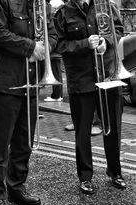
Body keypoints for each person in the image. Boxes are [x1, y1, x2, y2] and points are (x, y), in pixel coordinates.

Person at [0, 0, 58, 205]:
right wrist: (29, 47)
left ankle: (16, 187)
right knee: (1, 143)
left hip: (32, 80)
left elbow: (52, 35)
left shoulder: (41, 4)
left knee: (24, 142)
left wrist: (45, 47)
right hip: (7, 80)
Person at [54, 0, 127, 194]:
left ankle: (115, 172)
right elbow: (59, 45)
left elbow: (118, 29)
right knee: (82, 131)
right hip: (81, 78)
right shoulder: (63, 12)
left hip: (108, 74)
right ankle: (85, 177)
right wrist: (85, 44)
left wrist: (107, 41)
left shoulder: (107, 5)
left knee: (113, 129)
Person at [44, 0, 64, 102]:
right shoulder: (56, 17)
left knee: (56, 73)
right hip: (55, 51)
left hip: (54, 51)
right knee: (57, 72)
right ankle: (57, 94)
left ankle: (57, 95)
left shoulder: (56, 18)